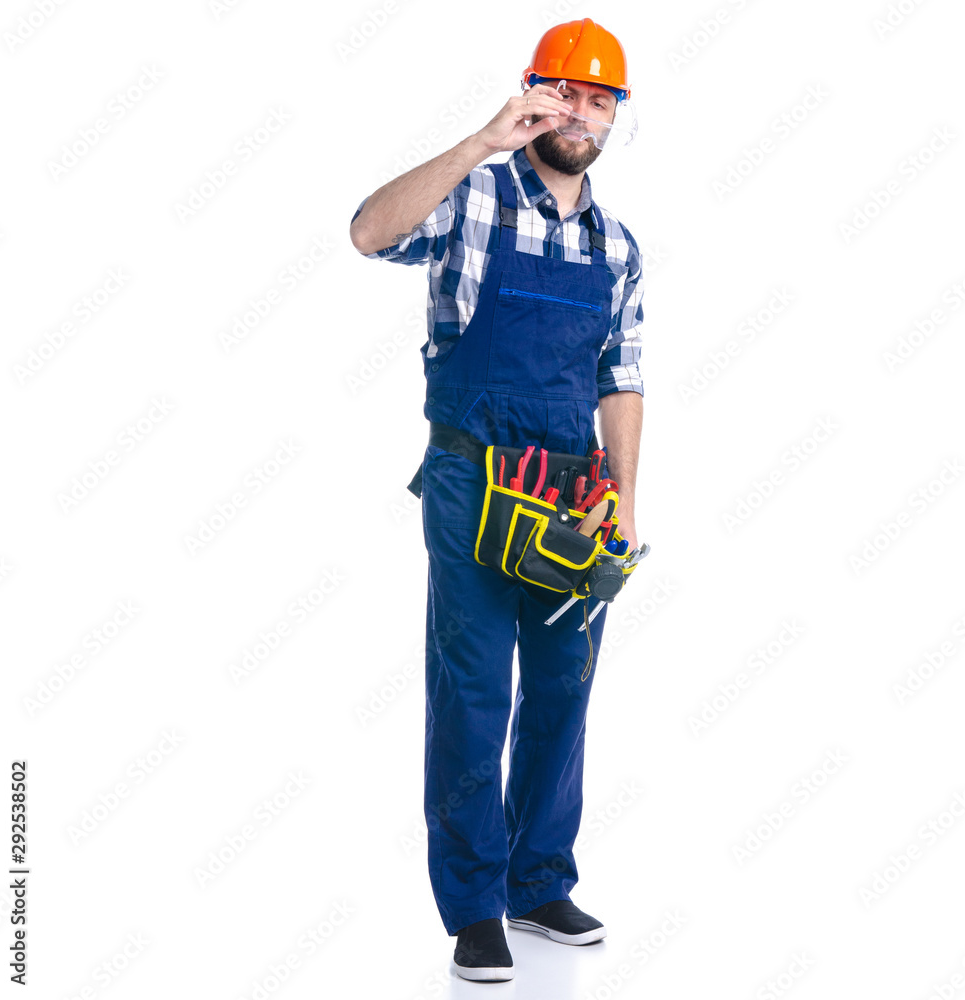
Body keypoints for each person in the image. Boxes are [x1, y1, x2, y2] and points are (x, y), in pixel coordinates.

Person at [350, 18, 644, 984]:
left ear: (615, 115)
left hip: (572, 495)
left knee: (563, 687)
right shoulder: (473, 197)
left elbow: (621, 378)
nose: (581, 113)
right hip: (473, 482)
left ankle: (538, 881)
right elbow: (369, 233)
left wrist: (623, 503)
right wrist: (482, 139)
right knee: (474, 694)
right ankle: (475, 907)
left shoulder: (617, 245)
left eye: (599, 100)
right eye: (566, 93)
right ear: (535, 92)